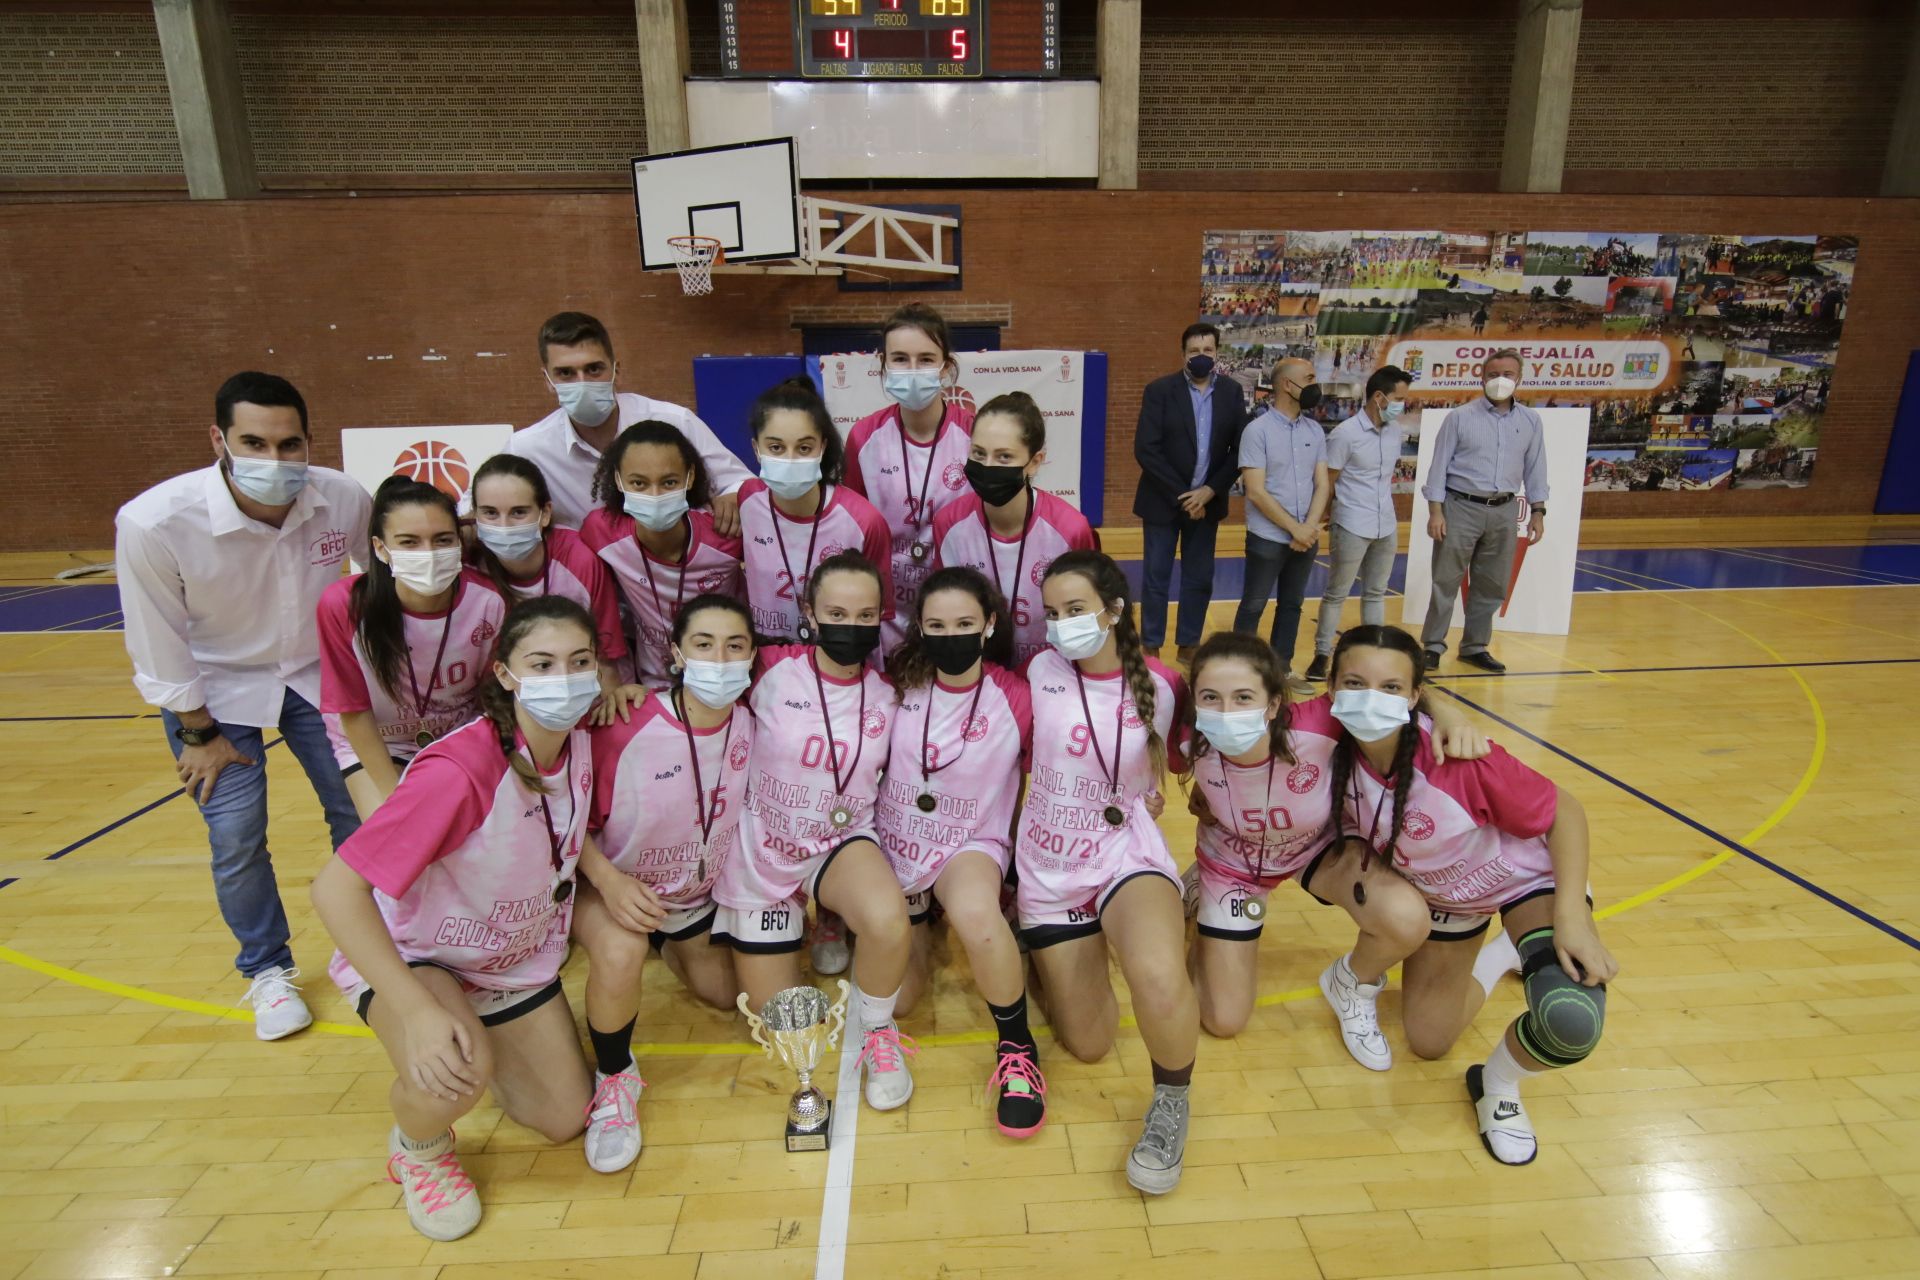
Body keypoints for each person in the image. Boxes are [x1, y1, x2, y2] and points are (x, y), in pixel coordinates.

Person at [310, 597, 611, 1240]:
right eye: (543, 663)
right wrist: (415, 1009)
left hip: (510, 961)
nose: (564, 678)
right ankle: (417, 1148)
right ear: (504, 674)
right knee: (452, 1075)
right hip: (423, 954)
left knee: (563, 1118)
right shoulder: (461, 768)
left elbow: (562, 827)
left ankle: (480, 1043)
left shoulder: (574, 744)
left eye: (579, 662)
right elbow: (336, 892)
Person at [115, 371, 371, 1041]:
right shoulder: (154, 522)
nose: (276, 461)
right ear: (218, 439)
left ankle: (370, 946)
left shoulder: (343, 499)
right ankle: (267, 970)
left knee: (361, 812)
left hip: (317, 675)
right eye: (254, 442)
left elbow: (378, 584)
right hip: (214, 691)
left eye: (290, 445)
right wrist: (197, 734)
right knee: (235, 836)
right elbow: (157, 640)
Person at [1325, 624, 1615, 1165]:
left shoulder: (1458, 758)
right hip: (1450, 900)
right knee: (1429, 1041)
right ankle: (1505, 952)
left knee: (1569, 1018)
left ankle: (1500, 1086)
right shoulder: (1332, 754)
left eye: (1391, 688)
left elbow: (1565, 812)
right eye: (1355, 682)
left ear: (1414, 697)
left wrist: (1572, 915)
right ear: (1331, 686)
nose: (1370, 698)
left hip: (1526, 881)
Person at [1178, 631, 1487, 1056]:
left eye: (1244, 697)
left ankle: (1350, 984)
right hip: (1233, 865)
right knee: (1223, 1019)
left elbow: (1382, 691)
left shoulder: (1316, 723)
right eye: (1210, 697)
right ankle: (1200, 904)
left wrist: (1449, 713)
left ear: (1273, 705)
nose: (1226, 712)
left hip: (1316, 849)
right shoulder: (1187, 734)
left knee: (1404, 918)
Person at [712, 552, 918, 1114]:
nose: (850, 626)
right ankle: (811, 927)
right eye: (836, 612)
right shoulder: (769, 669)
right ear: (808, 612)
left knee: (888, 922)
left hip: (839, 842)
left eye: (865, 614)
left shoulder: (888, 694)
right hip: (763, 856)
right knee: (780, 1023)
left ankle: (877, 1033)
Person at [1020, 550, 1196, 1195]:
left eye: (1075, 610)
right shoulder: (1038, 670)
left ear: (1114, 611)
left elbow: (1206, 757)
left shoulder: (1164, 683)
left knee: (1155, 972)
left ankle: (1172, 1104)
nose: (1061, 625)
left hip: (1125, 853)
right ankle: (1041, 946)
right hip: (1046, 866)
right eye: (1052, 613)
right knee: (1090, 1043)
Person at [574, 594, 753, 1173]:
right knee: (621, 950)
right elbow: (564, 819)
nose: (720, 660)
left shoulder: (752, 720)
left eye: (735, 647)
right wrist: (608, 880)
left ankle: (668, 943)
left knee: (726, 996)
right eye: (704, 645)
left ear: (754, 657)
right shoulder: (622, 723)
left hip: (691, 895)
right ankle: (615, 1075)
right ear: (675, 652)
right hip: (609, 886)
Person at [879, 568, 1046, 1137]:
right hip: (894, 840)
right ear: (919, 629)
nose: (950, 635)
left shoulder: (1016, 695)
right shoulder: (897, 682)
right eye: (936, 625)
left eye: (965, 624)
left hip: (969, 841)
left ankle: (1017, 1048)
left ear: (990, 624)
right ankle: (918, 916)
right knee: (899, 1004)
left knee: (978, 919)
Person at [318, 477, 508, 820]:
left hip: (461, 733)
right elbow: (353, 711)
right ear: (380, 548)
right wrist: (397, 801)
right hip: (380, 741)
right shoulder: (343, 606)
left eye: (442, 540)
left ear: (459, 542)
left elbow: (491, 695)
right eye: (409, 542)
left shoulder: (489, 601)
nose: (429, 554)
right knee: (396, 835)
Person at [505, 311, 751, 533]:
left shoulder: (674, 421)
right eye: (565, 373)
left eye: (594, 369)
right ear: (547, 379)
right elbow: (477, 506)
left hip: (676, 565)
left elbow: (741, 483)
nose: (582, 382)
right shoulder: (526, 448)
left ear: (616, 371)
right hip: (590, 574)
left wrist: (731, 495)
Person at [842, 303, 975, 652]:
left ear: (946, 366)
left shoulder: (974, 435)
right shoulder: (863, 436)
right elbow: (851, 524)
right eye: (900, 359)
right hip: (884, 604)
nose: (912, 370)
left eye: (926, 359)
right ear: (883, 365)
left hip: (952, 602)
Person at [930, 391, 1097, 667]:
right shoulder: (949, 524)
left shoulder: (1070, 529)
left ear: (1034, 461)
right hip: (979, 677)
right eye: (979, 453)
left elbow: (1086, 618)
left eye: (1004, 457)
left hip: (1054, 675)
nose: (987, 466)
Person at [465, 453, 638, 719]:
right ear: (474, 516)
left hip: (585, 687)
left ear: (545, 513)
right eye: (490, 513)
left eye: (518, 512)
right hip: (516, 697)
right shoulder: (472, 565)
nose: (504, 526)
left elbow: (605, 652)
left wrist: (611, 715)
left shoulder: (579, 560)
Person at [580, 420, 745, 688]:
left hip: (726, 681)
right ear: (618, 481)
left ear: (689, 477)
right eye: (639, 483)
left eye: (669, 482)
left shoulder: (725, 534)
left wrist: (738, 495)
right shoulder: (601, 531)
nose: (654, 495)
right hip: (652, 687)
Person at [1419, 349, 1548, 673]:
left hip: (1504, 509)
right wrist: (1436, 511)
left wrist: (1538, 510)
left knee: (1491, 584)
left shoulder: (1531, 421)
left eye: (1508, 374)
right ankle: (1433, 646)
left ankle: (1475, 647)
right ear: (1482, 377)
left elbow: (1535, 468)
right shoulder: (1460, 417)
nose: (1500, 380)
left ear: (1519, 378)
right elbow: (1439, 467)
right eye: (1493, 374)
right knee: (1445, 581)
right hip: (1460, 505)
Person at [737, 378, 893, 645]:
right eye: (776, 447)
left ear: (822, 447)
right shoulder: (747, 499)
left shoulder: (864, 521)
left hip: (838, 663)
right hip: (767, 661)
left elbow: (880, 613)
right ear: (756, 449)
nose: (790, 459)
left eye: (804, 447)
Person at [1132, 323, 1248, 663]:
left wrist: (1209, 492)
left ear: (1217, 353)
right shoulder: (1159, 391)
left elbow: (1239, 449)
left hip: (1208, 504)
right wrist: (1187, 496)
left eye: (1207, 350)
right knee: (1156, 575)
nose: (1201, 356)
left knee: (1199, 578)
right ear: (1183, 354)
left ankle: (1188, 643)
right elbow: (1146, 449)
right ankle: (1151, 643)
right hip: (1163, 502)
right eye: (1194, 351)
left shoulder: (1230, 392)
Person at [1304, 366, 1410, 682]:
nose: (1402, 405)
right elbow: (1329, 479)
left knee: (1376, 592)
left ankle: (1375, 653)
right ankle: (1322, 655)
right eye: (1398, 399)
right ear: (1379, 397)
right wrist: (1323, 515)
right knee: (1337, 592)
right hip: (1351, 521)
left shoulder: (1394, 431)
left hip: (1386, 523)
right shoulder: (1345, 434)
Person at [1232, 356, 1329, 691]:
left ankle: (1282, 670)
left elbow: (1322, 484)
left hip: (1305, 536)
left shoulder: (1314, 430)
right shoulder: (1257, 431)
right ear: (1288, 384)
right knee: (1254, 604)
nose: (1316, 384)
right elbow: (1256, 492)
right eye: (1311, 377)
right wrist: (1295, 528)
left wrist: (1310, 527)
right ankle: (1240, 670)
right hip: (1268, 537)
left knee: (1292, 604)